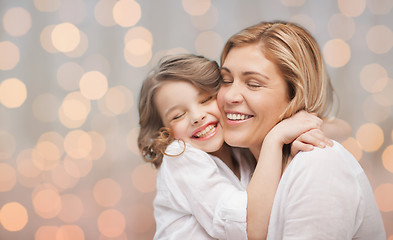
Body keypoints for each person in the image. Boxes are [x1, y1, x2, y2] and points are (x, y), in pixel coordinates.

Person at [217, 20, 386, 239]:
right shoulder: (238, 163)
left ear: (295, 94)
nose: (230, 96)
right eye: (225, 80)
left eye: (254, 84)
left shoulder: (317, 165)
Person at [138, 54, 333, 239]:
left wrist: (296, 135)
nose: (197, 117)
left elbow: (335, 128)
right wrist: (275, 139)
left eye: (206, 99)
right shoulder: (179, 156)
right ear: (164, 132)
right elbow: (248, 230)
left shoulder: (239, 148)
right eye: (178, 116)